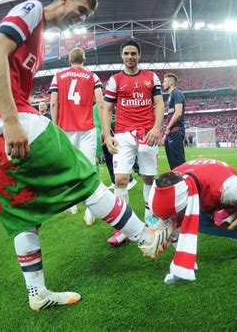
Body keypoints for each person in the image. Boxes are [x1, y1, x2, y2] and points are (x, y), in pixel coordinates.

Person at [0, 0, 171, 312]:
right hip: (5, 119)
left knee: (23, 213)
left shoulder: (41, 42)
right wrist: (10, 120)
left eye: (85, 17)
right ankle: (146, 238)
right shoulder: (32, 9)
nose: (80, 19)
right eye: (80, 10)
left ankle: (37, 293)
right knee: (85, 177)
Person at [148, 158, 237, 284]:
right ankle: (188, 265)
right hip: (204, 202)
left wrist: (234, 225)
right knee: (176, 223)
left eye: (168, 216)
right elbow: (169, 217)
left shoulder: (226, 188)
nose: (166, 221)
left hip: (228, 205)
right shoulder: (171, 182)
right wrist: (163, 235)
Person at [103, 39, 165, 245]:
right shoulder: (115, 80)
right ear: (122, 56)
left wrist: (156, 128)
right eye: (126, 53)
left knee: (148, 178)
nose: (130, 57)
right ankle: (123, 228)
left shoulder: (151, 77)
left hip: (148, 134)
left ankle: (150, 217)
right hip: (122, 135)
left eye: (133, 53)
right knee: (120, 180)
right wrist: (107, 134)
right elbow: (107, 109)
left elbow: (159, 104)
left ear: (140, 55)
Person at [48, 47, 104, 224]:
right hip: (87, 128)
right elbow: (101, 103)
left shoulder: (58, 76)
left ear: (69, 60)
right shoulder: (92, 76)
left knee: (68, 167)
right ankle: (90, 211)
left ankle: (72, 203)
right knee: (88, 168)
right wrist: (104, 129)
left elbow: (54, 103)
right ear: (84, 59)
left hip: (65, 128)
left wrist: (55, 127)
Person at [162, 73, 186, 170]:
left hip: (176, 131)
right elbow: (171, 115)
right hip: (171, 132)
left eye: (164, 81)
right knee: (172, 164)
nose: (163, 84)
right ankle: (176, 182)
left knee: (178, 163)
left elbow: (178, 113)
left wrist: (167, 128)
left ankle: (184, 183)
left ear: (171, 83)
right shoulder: (170, 96)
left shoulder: (177, 93)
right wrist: (166, 134)